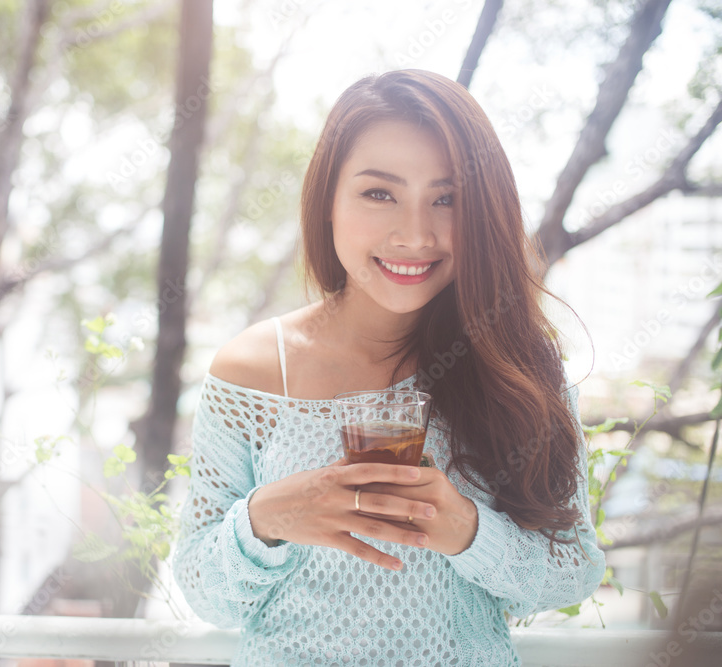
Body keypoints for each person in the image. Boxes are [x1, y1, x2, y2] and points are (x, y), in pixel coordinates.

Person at [171, 69, 606, 666]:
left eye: (446, 199)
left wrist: (464, 529)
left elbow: (573, 570)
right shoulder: (252, 371)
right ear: (327, 201)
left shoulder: (514, 365)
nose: (415, 233)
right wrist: (267, 517)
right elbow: (206, 595)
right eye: (380, 193)